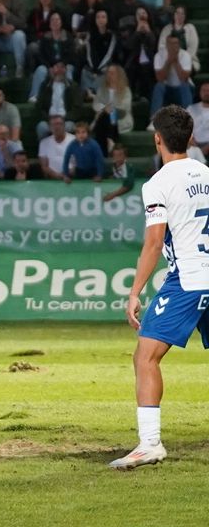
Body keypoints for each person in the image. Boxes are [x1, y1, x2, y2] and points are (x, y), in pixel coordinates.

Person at [111, 105, 209, 470]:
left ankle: (149, 443)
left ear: (157, 139)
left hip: (188, 279)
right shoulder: (207, 174)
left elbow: (154, 243)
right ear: (191, 138)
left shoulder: (158, 184)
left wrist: (134, 292)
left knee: (145, 356)